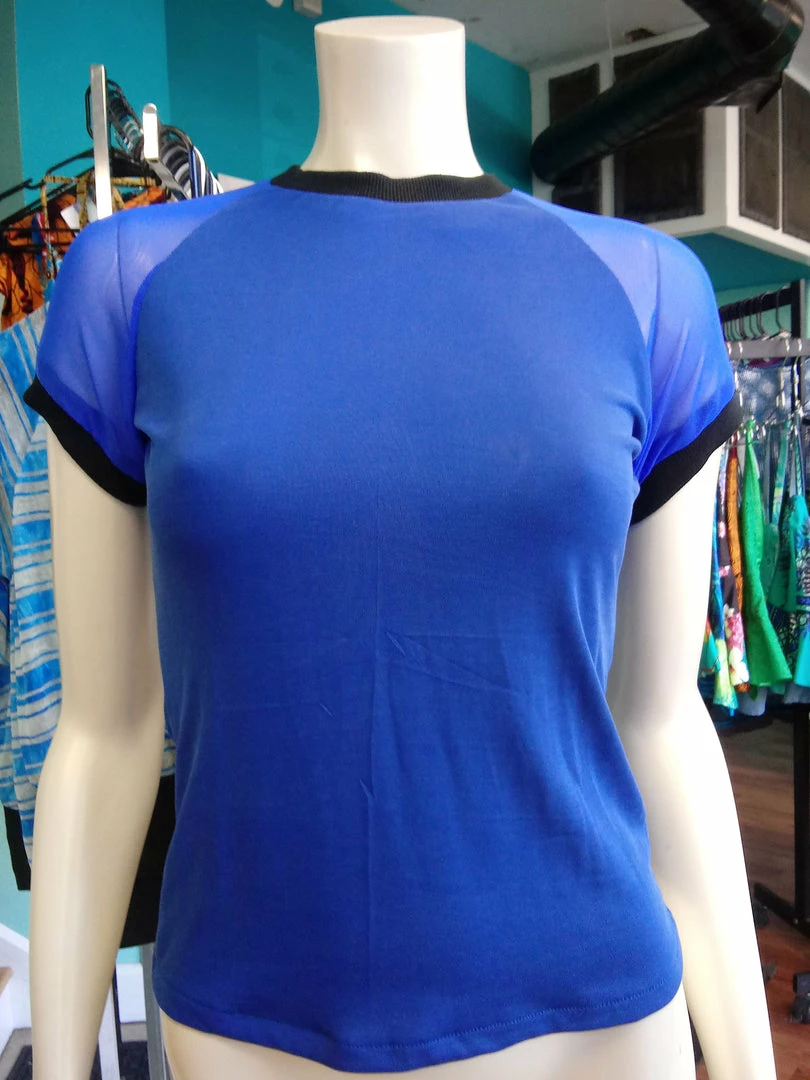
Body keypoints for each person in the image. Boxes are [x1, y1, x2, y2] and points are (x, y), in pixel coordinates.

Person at [28, 15, 775, 1080]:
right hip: (248, 1022)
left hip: (594, 1024)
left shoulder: (649, 289)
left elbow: (660, 718)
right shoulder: (130, 282)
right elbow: (103, 732)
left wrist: (747, 1064)